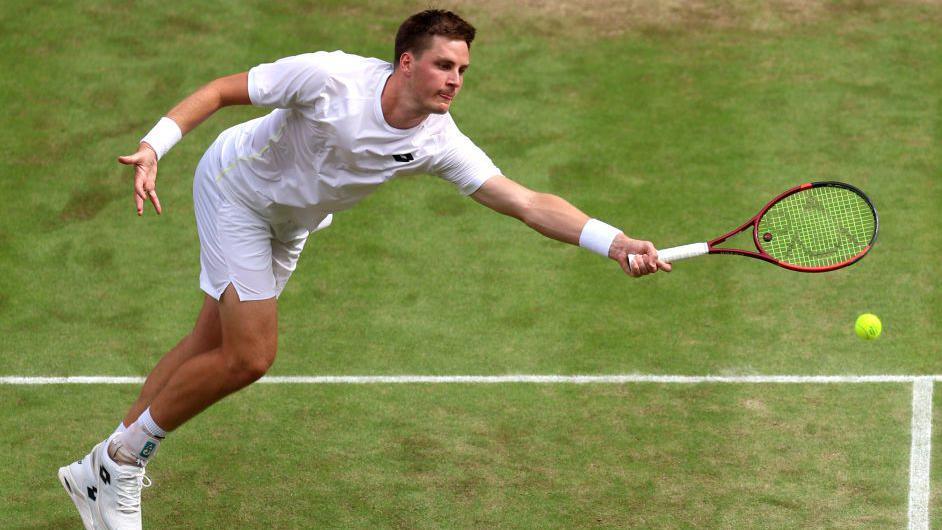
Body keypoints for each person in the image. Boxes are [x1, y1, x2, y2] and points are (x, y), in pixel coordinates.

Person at [57, 9, 670, 529]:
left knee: (210, 341)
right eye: (443, 66)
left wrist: (613, 242)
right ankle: (121, 462)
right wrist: (153, 146)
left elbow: (526, 202)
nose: (454, 81)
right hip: (236, 190)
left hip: (291, 222)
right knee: (250, 355)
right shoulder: (331, 77)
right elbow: (222, 90)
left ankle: (97, 472)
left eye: (462, 71)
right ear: (406, 61)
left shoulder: (438, 140)